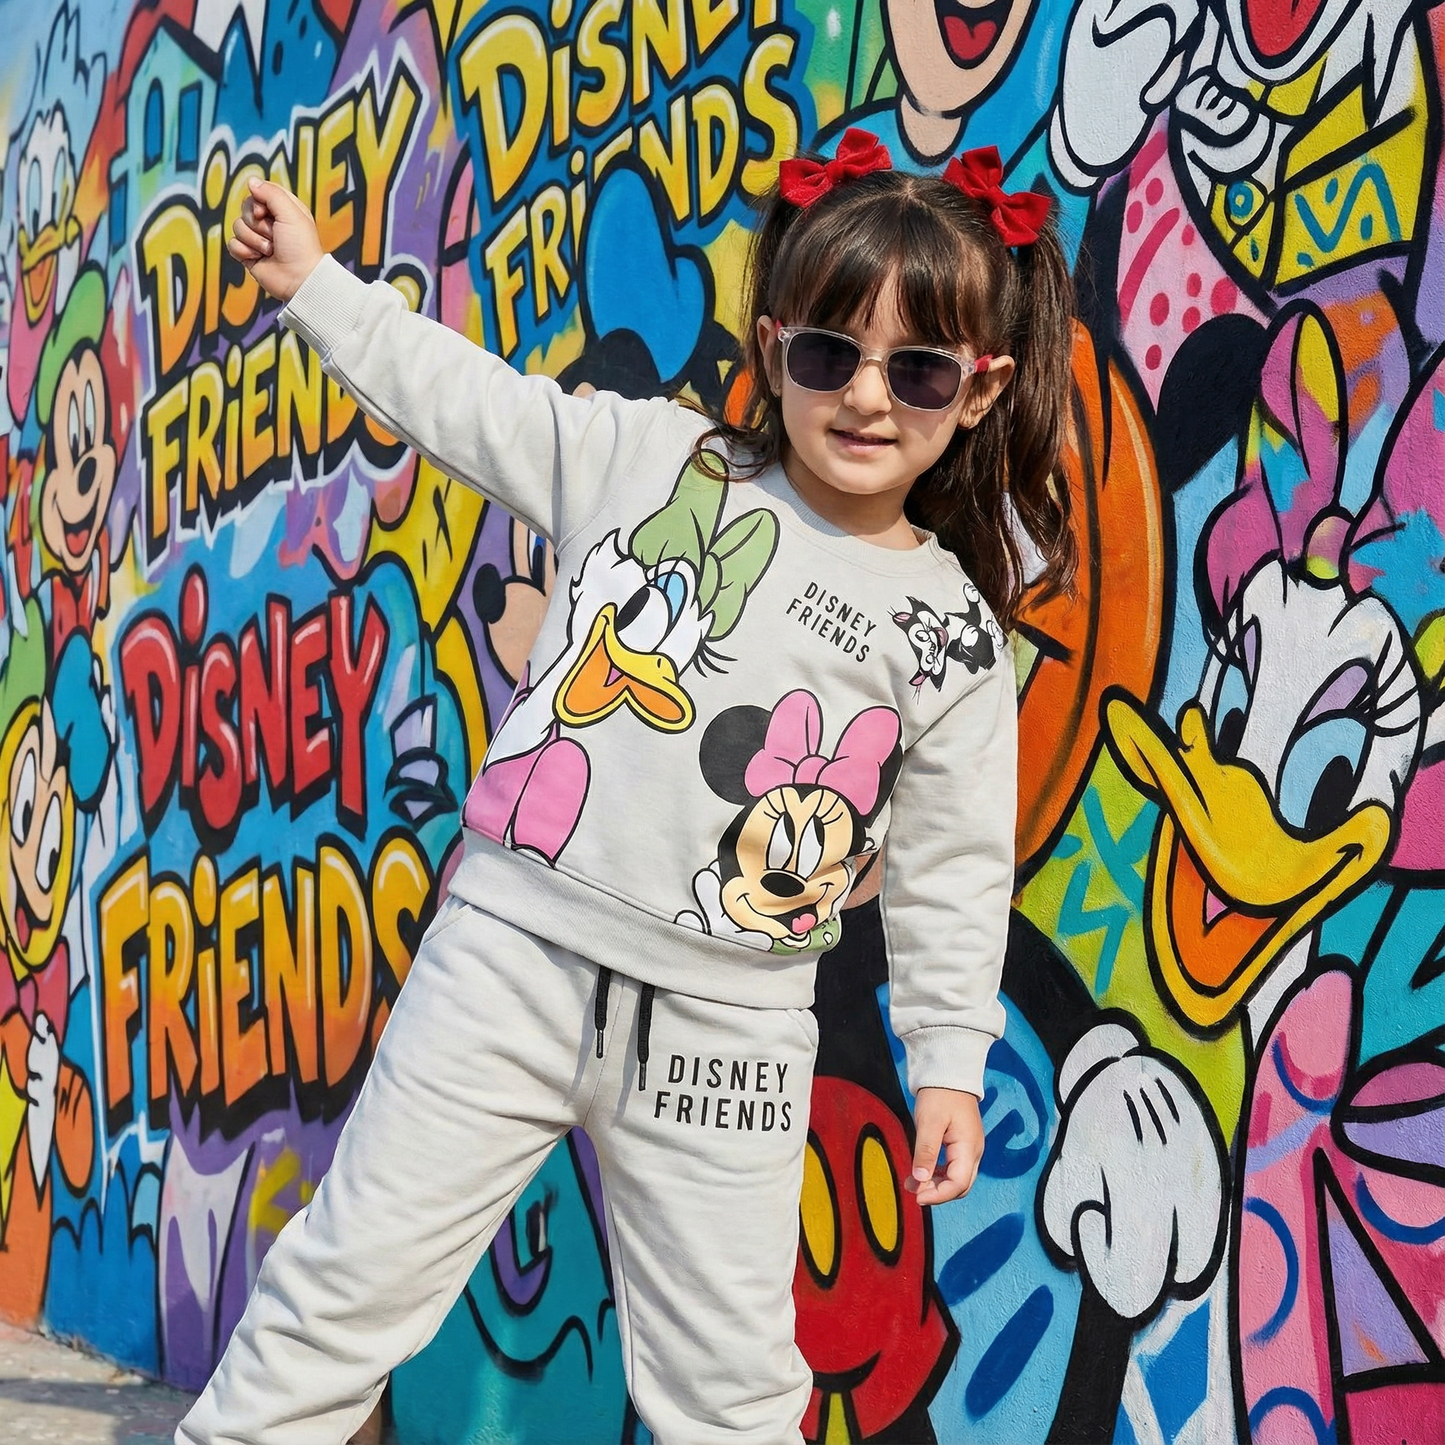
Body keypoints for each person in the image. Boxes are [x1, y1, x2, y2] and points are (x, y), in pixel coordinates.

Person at [178, 128, 1075, 1445]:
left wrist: (948, 1063)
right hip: (510, 962)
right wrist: (317, 284)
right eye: (830, 355)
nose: (869, 398)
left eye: (921, 369)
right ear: (774, 349)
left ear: (982, 389)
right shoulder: (651, 457)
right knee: (341, 1289)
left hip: (734, 1034)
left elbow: (954, 870)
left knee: (731, 1393)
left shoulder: (950, 634)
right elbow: (465, 398)